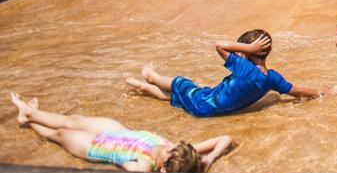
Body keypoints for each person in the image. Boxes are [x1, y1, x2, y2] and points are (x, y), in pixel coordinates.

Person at [10, 93, 231, 173]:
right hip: (115, 130)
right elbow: (225, 139)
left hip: (96, 146)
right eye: (173, 147)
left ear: (163, 169)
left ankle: (28, 119)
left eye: (167, 152)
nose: (167, 147)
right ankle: (31, 113)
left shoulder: (143, 166)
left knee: (58, 134)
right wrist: (209, 158)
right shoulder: (179, 152)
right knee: (72, 120)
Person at [124, 30, 324, 115]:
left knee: (180, 83)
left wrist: (249, 48)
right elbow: (296, 91)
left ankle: (151, 77)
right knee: (176, 97)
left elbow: (219, 45)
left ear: (246, 52)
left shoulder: (245, 68)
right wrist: (321, 92)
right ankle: (143, 87)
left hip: (204, 102)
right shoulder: (272, 78)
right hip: (213, 110)